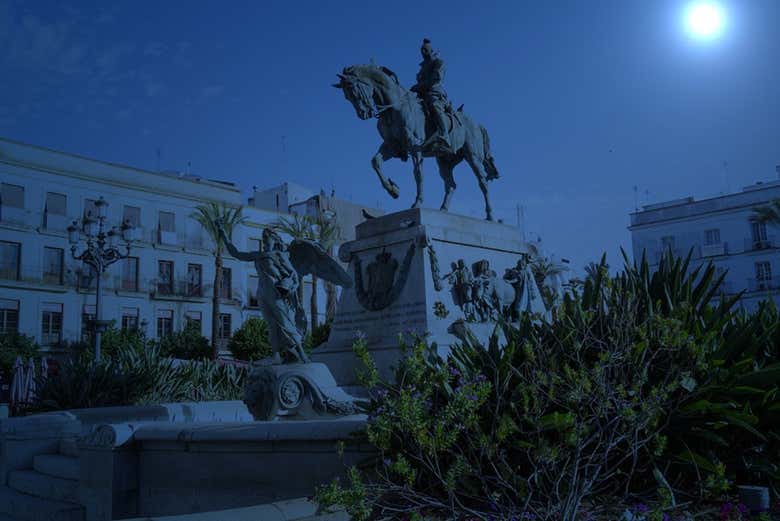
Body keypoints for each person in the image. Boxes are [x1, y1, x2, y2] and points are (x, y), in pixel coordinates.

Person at [220, 225, 309, 363]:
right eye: (263, 237)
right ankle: (276, 355)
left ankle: (301, 353)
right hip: (261, 294)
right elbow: (236, 254)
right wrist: (224, 234)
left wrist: (290, 288)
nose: (265, 240)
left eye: (267, 237)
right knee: (272, 325)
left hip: (276, 293)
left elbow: (294, 276)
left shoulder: (279, 255)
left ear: (274, 239)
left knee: (285, 323)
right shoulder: (257, 255)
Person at [411, 38, 453, 155]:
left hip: (435, 92)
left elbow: (436, 79)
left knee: (435, 105)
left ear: (431, 50)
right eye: (422, 50)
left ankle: (445, 136)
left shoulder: (438, 63)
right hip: (421, 94)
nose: (423, 52)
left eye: (425, 49)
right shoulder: (422, 67)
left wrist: (419, 86)